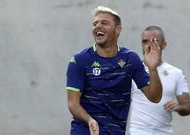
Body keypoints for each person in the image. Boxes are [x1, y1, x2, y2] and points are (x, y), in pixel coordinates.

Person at [66, 6, 162, 135]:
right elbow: (73, 103)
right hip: (85, 131)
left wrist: (153, 69)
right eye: (95, 23)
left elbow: (155, 97)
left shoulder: (130, 59)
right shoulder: (80, 60)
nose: (98, 26)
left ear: (118, 30)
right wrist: (89, 120)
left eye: (104, 23)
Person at [128, 26, 190, 135]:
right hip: (137, 131)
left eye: (154, 41)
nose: (149, 45)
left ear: (164, 45)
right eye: (145, 41)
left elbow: (187, 107)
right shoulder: (132, 70)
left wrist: (179, 107)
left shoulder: (176, 73)